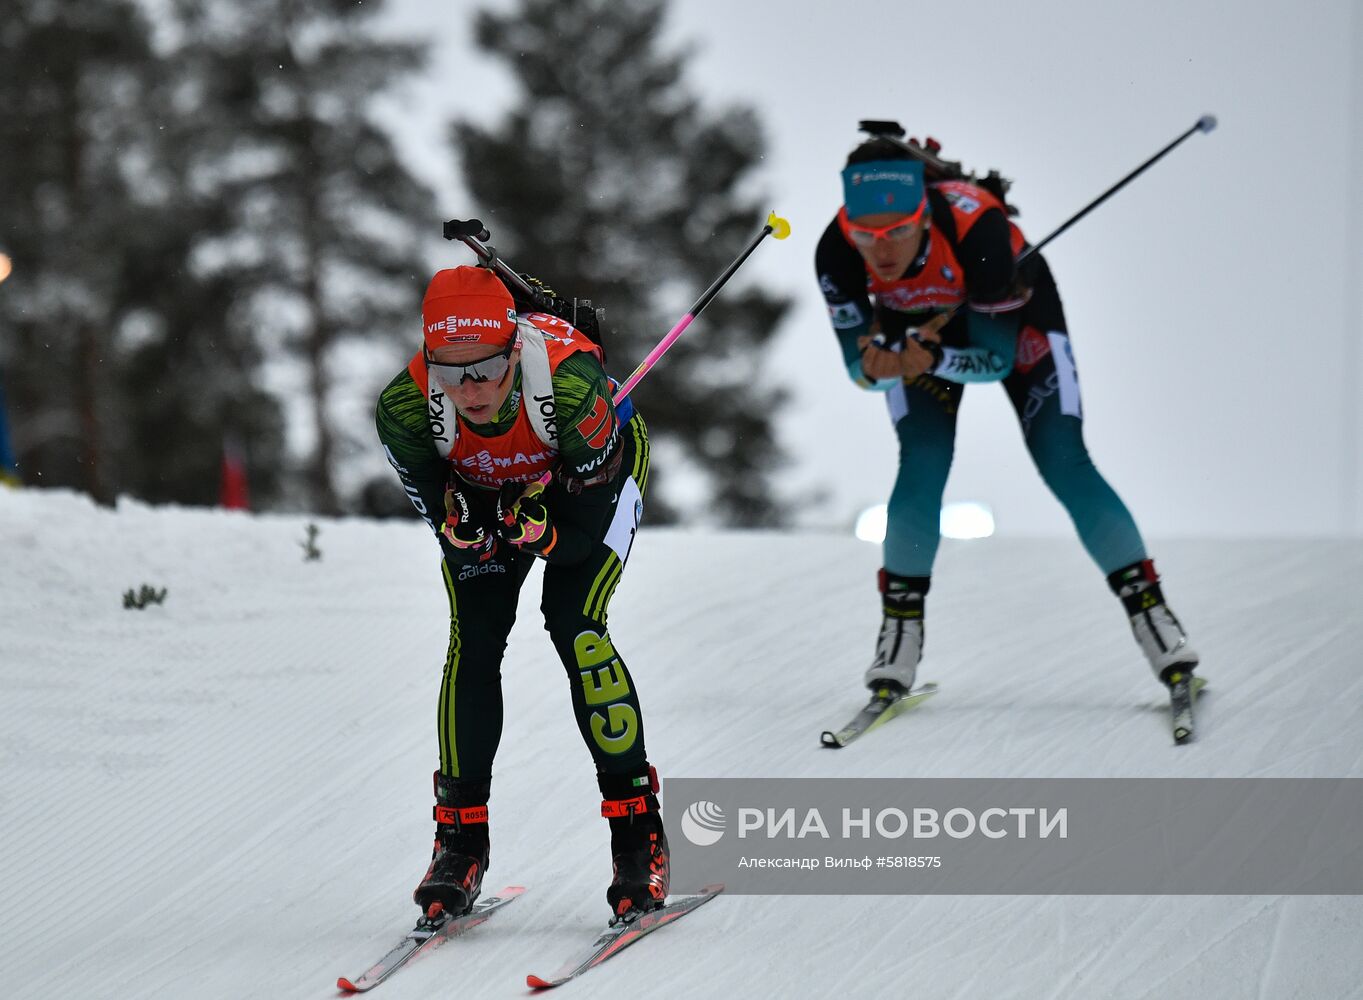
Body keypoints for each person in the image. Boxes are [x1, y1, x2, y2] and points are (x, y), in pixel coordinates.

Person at [815, 135, 1199, 699]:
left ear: (923, 212)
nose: (883, 251)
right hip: (919, 332)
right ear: (848, 226)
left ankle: (1155, 619)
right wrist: (879, 366)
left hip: (1016, 325)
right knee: (922, 461)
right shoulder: (834, 251)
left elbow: (994, 362)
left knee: (1063, 458)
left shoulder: (980, 230)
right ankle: (899, 633)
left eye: (898, 230)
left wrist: (934, 357)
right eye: (866, 236)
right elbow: (858, 369)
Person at [375, 264, 668, 922]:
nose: (469, 389)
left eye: (484, 367)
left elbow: (582, 544)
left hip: (585, 487)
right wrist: (470, 535)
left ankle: (636, 833)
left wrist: (537, 533)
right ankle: (458, 842)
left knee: (574, 622)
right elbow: (446, 525)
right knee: (473, 641)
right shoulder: (404, 408)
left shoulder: (570, 387)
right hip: (489, 489)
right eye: (449, 372)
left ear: (514, 349)